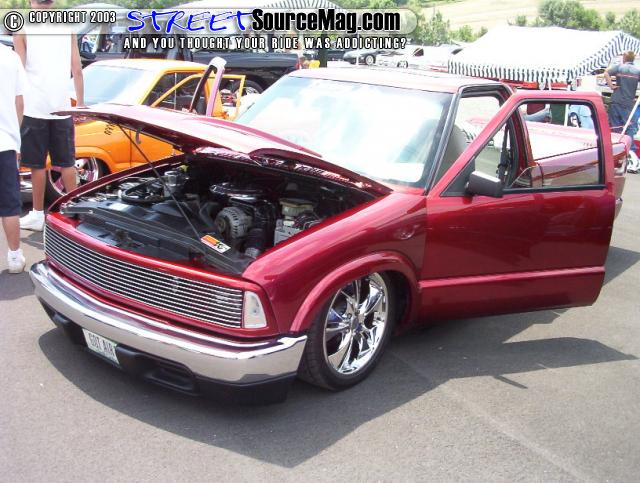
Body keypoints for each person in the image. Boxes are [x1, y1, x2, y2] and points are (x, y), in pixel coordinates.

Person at [13, 0, 85, 232]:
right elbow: (77, 68)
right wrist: (80, 104)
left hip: (33, 107)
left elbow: (18, 72)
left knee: (37, 165)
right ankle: (74, 212)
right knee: (67, 163)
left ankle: (37, 214)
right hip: (62, 107)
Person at [0, 44, 27, 273]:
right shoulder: (10, 57)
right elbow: (20, 103)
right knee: (9, 206)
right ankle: (15, 257)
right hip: (5, 142)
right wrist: (14, 135)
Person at [604, 51, 640, 133]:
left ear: (624, 58)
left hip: (616, 100)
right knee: (630, 127)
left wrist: (611, 86)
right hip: (628, 103)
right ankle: (628, 141)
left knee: (615, 126)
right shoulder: (637, 71)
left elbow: (606, 73)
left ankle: (617, 140)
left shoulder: (619, 67)